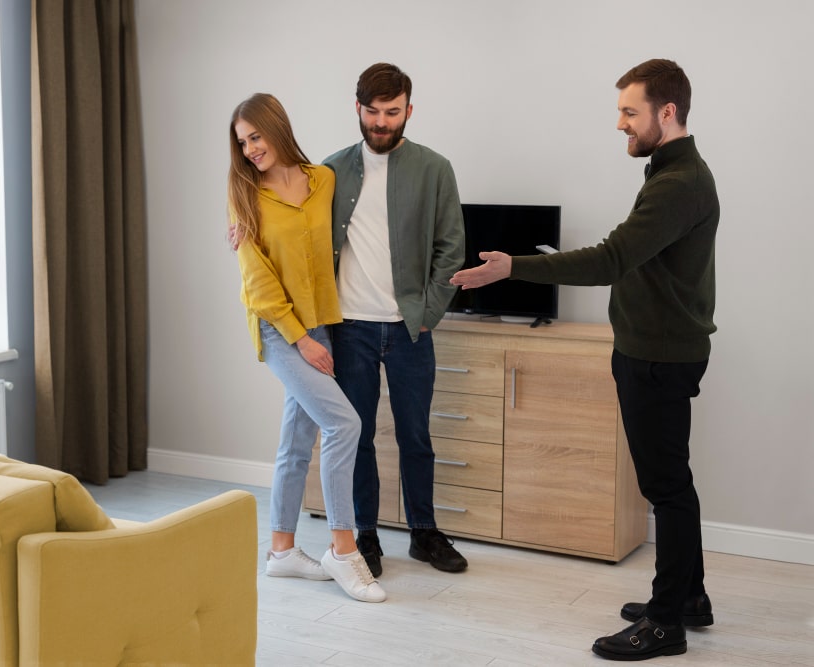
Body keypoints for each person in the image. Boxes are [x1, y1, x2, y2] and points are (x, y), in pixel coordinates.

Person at [450, 58, 718, 661]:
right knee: (672, 482)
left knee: (666, 486)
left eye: (629, 111)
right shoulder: (674, 173)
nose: (620, 122)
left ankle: (666, 623)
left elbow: (609, 259)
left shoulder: (678, 183)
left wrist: (513, 267)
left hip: (658, 356)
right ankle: (688, 598)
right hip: (657, 350)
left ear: (666, 111)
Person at [228, 93, 386, 603]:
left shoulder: (323, 180)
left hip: (322, 325)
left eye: (255, 136)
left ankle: (281, 552)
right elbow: (257, 280)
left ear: (276, 128)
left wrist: (317, 336)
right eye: (242, 142)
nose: (250, 149)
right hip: (280, 330)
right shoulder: (245, 195)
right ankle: (343, 548)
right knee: (344, 424)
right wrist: (300, 339)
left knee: (296, 441)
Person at [324, 63, 468, 578]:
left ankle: (424, 533)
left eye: (392, 112)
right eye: (372, 112)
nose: (381, 122)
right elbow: (297, 233)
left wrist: (428, 314)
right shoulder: (329, 172)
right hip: (350, 328)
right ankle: (365, 533)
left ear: (409, 110)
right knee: (357, 437)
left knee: (416, 436)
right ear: (357, 109)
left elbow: (451, 248)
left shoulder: (435, 169)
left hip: (410, 329)